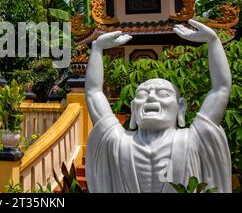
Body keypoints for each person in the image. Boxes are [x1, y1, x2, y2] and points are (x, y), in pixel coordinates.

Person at [85, 20, 232, 193]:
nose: (151, 98)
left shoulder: (193, 139)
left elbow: (221, 89)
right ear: (133, 109)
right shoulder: (119, 142)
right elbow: (94, 92)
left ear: (181, 107)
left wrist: (213, 42)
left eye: (163, 94)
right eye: (142, 95)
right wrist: (96, 49)